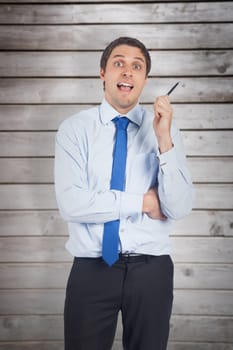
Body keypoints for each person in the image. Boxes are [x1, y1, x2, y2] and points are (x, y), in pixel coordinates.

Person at [54, 36, 194, 350]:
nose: (127, 72)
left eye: (137, 66)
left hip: (152, 270)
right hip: (92, 269)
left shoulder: (165, 130)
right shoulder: (75, 130)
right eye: (119, 63)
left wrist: (164, 141)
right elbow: (72, 203)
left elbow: (179, 206)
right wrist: (143, 202)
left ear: (144, 79)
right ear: (103, 72)